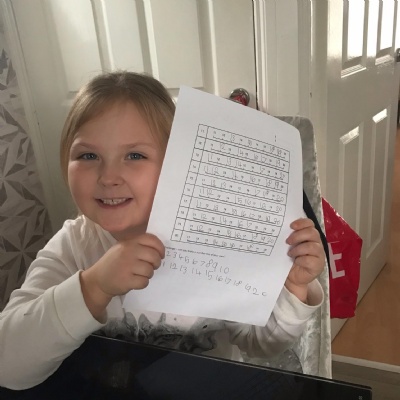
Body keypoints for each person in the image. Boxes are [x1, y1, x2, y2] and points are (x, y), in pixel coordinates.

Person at [0, 71, 325, 390]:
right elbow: (9, 366)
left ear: (177, 164)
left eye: (135, 155)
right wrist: (94, 286)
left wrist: (294, 287)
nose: (109, 176)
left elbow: (261, 344)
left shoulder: (216, 239)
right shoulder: (72, 246)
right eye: (88, 155)